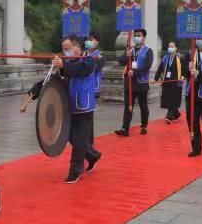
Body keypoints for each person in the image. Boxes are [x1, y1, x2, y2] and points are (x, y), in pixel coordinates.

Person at [31, 36, 102, 184]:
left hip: (84, 108)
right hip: (69, 107)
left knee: (79, 141)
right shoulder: (68, 63)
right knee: (71, 138)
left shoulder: (89, 61)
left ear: (77, 47)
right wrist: (36, 90)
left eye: (68, 49)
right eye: (64, 49)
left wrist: (63, 65)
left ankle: (75, 170)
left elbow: (80, 70)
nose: (66, 52)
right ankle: (92, 155)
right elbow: (54, 78)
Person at [116, 28, 153, 136]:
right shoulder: (130, 50)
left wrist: (135, 72)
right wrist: (126, 56)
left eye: (139, 35)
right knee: (128, 106)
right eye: (135, 35)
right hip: (130, 83)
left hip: (141, 83)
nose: (136, 37)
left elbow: (147, 66)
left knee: (143, 106)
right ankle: (125, 128)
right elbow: (121, 61)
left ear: (144, 37)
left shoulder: (148, 51)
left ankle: (144, 125)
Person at [155, 41, 183, 123]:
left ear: (176, 48)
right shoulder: (165, 57)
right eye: (169, 46)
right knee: (169, 99)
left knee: (172, 99)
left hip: (176, 82)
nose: (170, 48)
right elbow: (160, 68)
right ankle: (176, 114)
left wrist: (183, 75)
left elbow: (184, 67)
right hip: (167, 81)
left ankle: (169, 116)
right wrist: (156, 78)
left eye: (172, 46)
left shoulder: (179, 57)